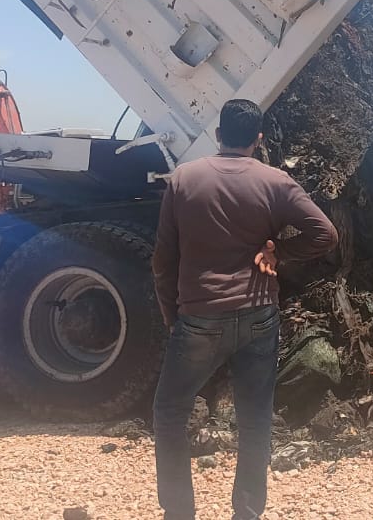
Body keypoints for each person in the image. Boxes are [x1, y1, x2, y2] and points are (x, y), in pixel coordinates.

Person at [151, 98, 338, 520]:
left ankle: (179, 513)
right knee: (255, 419)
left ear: (218, 135)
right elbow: (325, 234)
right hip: (258, 316)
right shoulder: (276, 182)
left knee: (170, 413)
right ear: (259, 139)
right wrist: (280, 253)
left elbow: (163, 260)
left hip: (200, 317)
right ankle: (247, 513)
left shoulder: (184, 180)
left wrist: (172, 316)